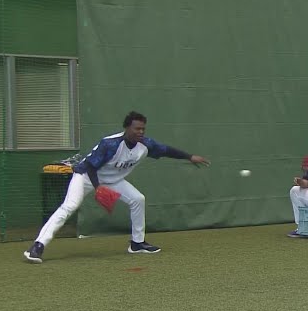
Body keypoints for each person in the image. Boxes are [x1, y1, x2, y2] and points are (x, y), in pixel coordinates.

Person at [23, 111, 210, 264]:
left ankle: (137, 244)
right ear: (127, 127)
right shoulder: (110, 144)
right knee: (70, 206)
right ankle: (38, 246)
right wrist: (98, 189)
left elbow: (167, 150)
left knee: (138, 199)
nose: (140, 132)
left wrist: (189, 156)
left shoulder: (145, 145)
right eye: (137, 128)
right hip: (86, 176)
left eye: (143, 129)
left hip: (113, 180)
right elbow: (90, 166)